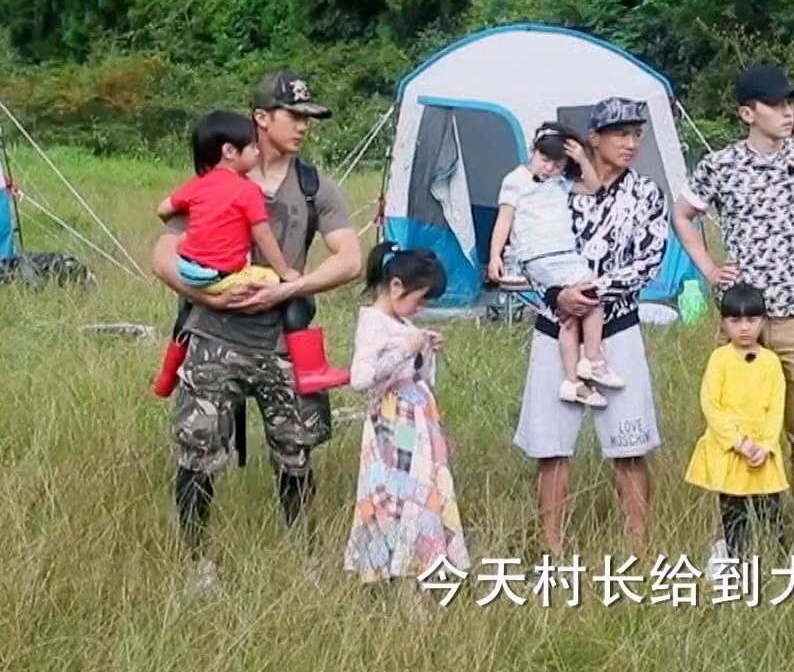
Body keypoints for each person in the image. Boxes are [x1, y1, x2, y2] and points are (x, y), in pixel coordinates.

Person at [150, 72, 363, 593]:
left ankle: (304, 559)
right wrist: (208, 297)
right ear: (261, 119)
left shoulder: (314, 187)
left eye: (310, 118)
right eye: (295, 116)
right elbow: (163, 254)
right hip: (214, 338)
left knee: (296, 452)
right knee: (198, 452)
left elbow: (350, 259)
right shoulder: (216, 178)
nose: (304, 127)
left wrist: (290, 289)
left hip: (284, 342)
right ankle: (197, 565)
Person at [673, 64, 794, 565]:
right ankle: (732, 539)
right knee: (732, 429)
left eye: (790, 104)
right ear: (747, 113)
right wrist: (709, 267)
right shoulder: (721, 165)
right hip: (742, 321)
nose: (787, 113)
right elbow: (683, 213)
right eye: (776, 105)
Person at [512, 97, 669, 555]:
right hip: (555, 321)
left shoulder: (646, 193)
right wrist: (555, 295)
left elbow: (650, 260)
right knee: (551, 447)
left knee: (630, 445)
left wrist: (594, 292)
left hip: (616, 325)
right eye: (620, 134)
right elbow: (524, 247)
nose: (630, 143)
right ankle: (553, 548)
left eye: (636, 135)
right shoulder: (553, 187)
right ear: (593, 139)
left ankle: (638, 549)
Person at [344, 243, 469, 600]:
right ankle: (401, 580)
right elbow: (360, 378)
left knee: (422, 496)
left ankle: (421, 576)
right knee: (399, 499)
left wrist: (426, 351)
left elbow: (420, 376)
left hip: (418, 423)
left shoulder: (402, 323)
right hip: (393, 426)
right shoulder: (373, 323)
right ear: (396, 286)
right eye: (420, 298)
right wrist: (406, 348)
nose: (421, 307)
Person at [489, 121, 623, 409]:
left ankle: (573, 382)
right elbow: (504, 219)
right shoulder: (516, 180)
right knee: (594, 296)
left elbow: (594, 187)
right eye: (544, 159)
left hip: (564, 255)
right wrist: (495, 255)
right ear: (532, 152)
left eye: (557, 164)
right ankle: (593, 359)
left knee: (570, 315)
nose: (549, 168)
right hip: (541, 255)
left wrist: (582, 159)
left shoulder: (560, 184)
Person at [685, 283, 788, 578]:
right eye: (735, 320)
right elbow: (711, 404)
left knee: (772, 514)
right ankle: (736, 566)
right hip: (732, 451)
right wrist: (738, 442)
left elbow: (776, 408)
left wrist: (766, 445)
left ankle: (780, 568)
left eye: (752, 320)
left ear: (763, 322)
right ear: (723, 323)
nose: (744, 328)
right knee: (734, 515)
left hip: (762, 453)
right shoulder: (720, 359)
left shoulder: (771, 362)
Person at [158, 110, 299, 294]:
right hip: (218, 277)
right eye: (253, 147)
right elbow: (263, 235)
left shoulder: (198, 184)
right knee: (273, 280)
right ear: (229, 151)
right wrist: (284, 271)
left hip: (187, 271)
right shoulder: (248, 190)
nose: (258, 153)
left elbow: (163, 210)